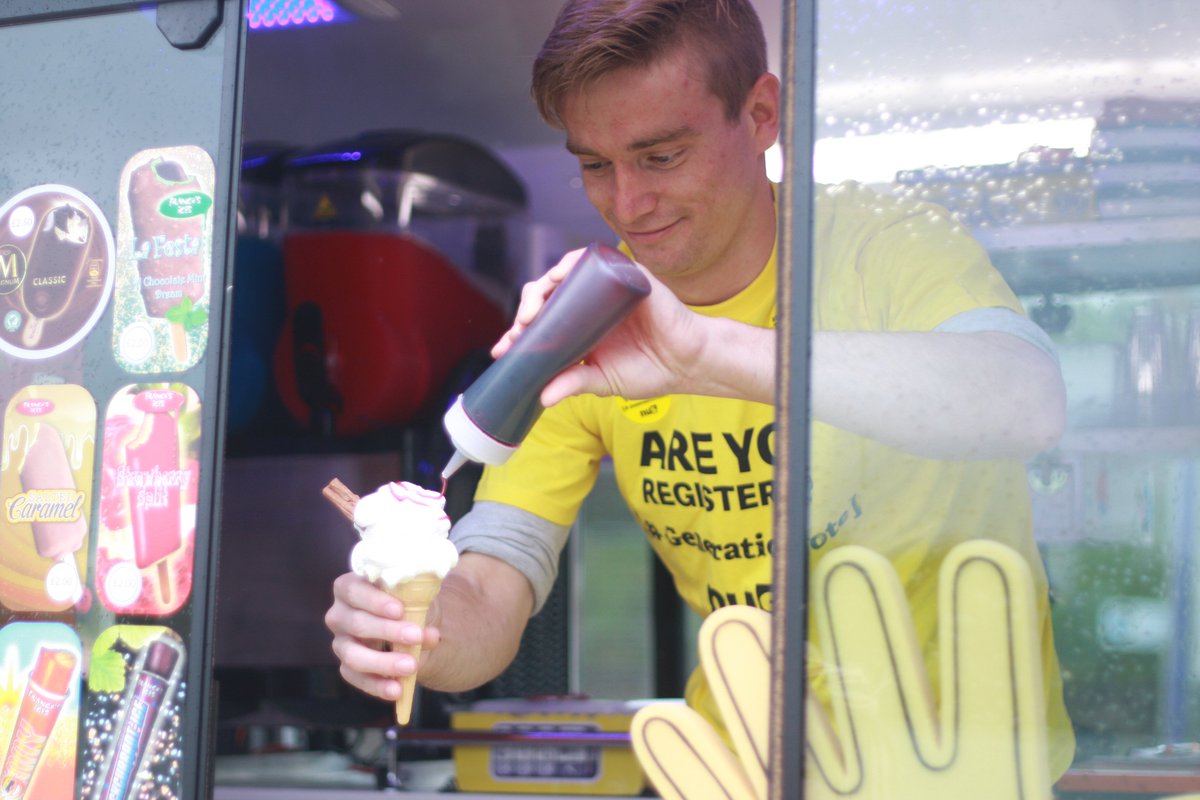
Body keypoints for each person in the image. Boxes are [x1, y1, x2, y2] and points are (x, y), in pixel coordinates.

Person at [325, 0, 1075, 779]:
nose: (626, 203)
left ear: (759, 115)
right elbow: (494, 582)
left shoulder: (880, 247)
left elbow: (1027, 402)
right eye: (593, 164)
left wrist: (707, 351)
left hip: (966, 769)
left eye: (660, 157)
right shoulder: (583, 316)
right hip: (740, 770)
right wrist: (420, 627)